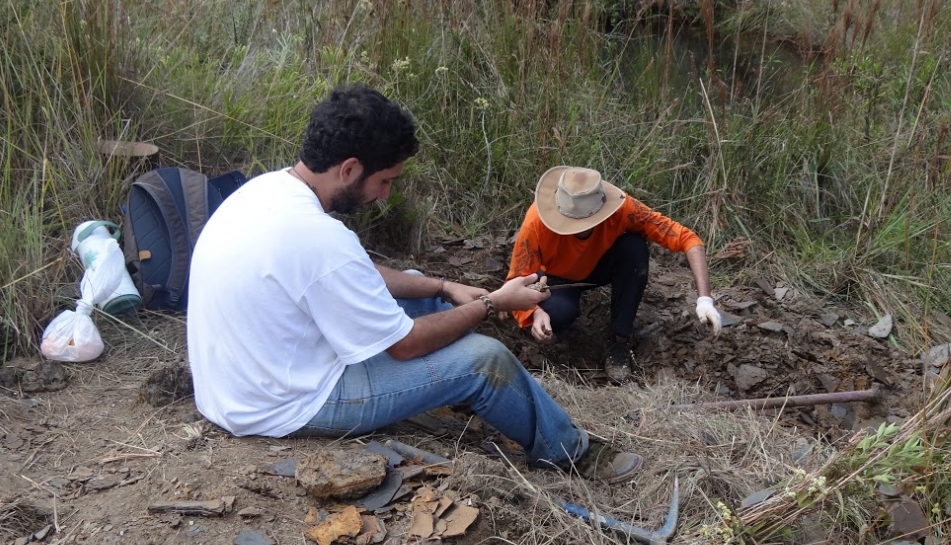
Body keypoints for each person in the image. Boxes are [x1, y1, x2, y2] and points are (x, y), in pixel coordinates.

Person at [186, 85, 641, 483]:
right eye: (384, 181)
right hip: (283, 404)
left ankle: (473, 397)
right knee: (484, 362)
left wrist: (442, 287)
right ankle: (568, 452)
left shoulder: (267, 193)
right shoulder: (317, 236)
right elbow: (403, 345)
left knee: (419, 285)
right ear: (349, 169)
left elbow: (350, 276)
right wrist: (492, 303)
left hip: (238, 386)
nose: (385, 194)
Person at [507, 166, 721, 383]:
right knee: (559, 313)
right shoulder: (536, 222)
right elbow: (516, 279)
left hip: (600, 265)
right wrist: (534, 313)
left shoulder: (623, 208)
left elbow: (688, 239)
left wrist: (704, 299)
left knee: (634, 249)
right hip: (557, 279)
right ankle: (560, 339)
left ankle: (619, 341)